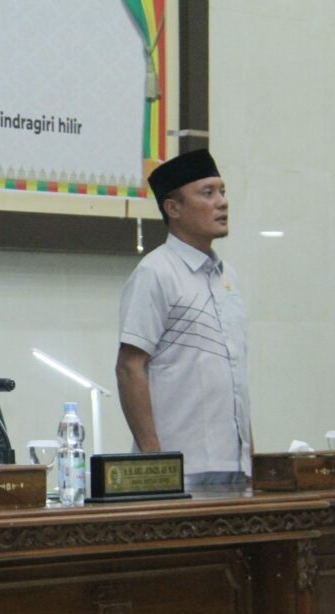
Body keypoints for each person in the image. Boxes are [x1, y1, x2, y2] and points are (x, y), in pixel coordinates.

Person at [115, 148, 252, 488]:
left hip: (236, 467)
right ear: (173, 208)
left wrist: (253, 458)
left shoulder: (227, 277)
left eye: (222, 191)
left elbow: (235, 374)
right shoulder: (155, 273)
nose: (222, 202)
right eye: (207, 193)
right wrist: (155, 463)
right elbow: (129, 367)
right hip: (180, 470)